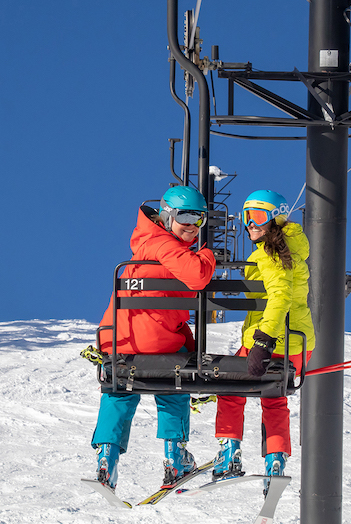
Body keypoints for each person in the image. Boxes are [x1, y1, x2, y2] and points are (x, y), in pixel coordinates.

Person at [91, 185, 216, 491]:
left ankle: (107, 459)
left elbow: (167, 313)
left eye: (198, 219)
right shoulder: (164, 246)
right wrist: (208, 254)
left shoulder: (146, 244)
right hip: (153, 344)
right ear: (167, 215)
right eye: (185, 216)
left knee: (119, 389)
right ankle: (175, 458)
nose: (191, 225)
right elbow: (198, 276)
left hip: (121, 343)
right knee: (176, 382)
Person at [213, 190, 315, 492]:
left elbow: (280, 296)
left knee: (230, 390)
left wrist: (263, 341)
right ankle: (275, 458)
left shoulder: (271, 254)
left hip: (272, 342)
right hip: (298, 347)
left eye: (257, 216)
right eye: (245, 217)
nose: (250, 224)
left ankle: (229, 453)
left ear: (276, 218)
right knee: (274, 397)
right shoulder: (292, 249)